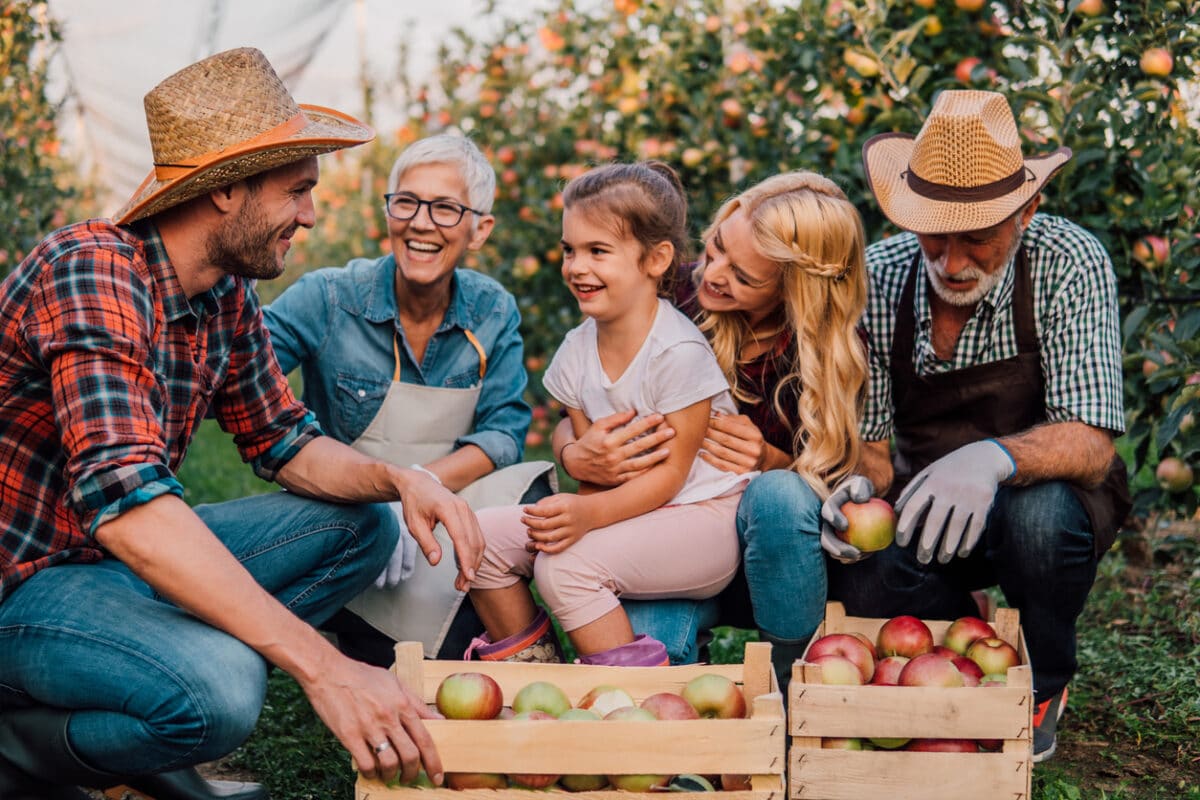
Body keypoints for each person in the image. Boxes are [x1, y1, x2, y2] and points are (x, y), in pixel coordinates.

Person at [0, 48, 483, 800]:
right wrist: (321, 666)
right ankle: (25, 749)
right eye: (297, 192)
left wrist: (397, 479)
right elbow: (127, 507)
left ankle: (143, 669)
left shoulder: (224, 296)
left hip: (112, 565)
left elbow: (284, 441)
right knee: (220, 692)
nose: (311, 215)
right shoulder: (92, 270)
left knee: (366, 526)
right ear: (227, 191)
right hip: (27, 582)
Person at [825, 90, 1130, 762]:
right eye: (936, 233)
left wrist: (990, 459)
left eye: (978, 238)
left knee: (1039, 521)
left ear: (1027, 210)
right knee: (859, 576)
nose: (952, 261)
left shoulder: (1067, 260)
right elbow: (874, 451)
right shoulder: (879, 278)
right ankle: (970, 635)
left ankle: (1041, 681)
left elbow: (1092, 438)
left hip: (1045, 499)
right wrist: (854, 487)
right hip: (929, 508)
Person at [553, 171, 871, 688]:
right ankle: (676, 719)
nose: (713, 274)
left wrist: (772, 459)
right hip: (668, 536)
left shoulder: (823, 354)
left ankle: (792, 679)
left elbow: (842, 478)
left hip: (774, 559)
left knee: (780, 496)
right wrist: (575, 454)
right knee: (649, 660)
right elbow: (581, 400)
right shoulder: (668, 289)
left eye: (743, 277)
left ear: (796, 289)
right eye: (717, 248)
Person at [264, 133, 555, 664]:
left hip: (447, 507)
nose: (422, 223)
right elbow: (243, 377)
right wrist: (374, 497)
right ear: (389, 210)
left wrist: (420, 488)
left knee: (531, 493)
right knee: (404, 648)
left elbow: (504, 430)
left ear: (479, 229)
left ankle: (529, 660)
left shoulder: (491, 310)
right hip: (353, 517)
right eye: (408, 202)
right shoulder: (328, 299)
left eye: (446, 209)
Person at [464, 162, 751, 666]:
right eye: (569, 249)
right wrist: (580, 507)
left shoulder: (677, 353)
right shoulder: (576, 351)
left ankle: (637, 708)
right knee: (480, 538)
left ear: (657, 259)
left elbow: (671, 477)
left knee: (564, 568)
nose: (577, 267)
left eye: (598, 251)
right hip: (624, 513)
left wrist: (587, 518)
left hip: (700, 521)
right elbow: (594, 475)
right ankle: (538, 674)